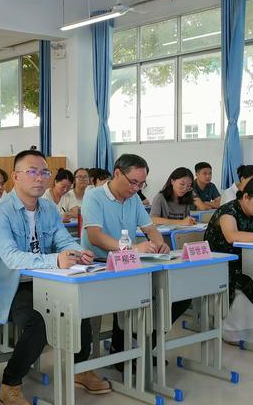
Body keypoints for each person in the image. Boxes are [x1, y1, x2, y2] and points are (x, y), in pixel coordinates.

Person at [0, 150, 110, 405]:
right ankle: (10, 384)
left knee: (78, 308)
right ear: (16, 176)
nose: (39, 178)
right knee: (37, 322)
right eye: (31, 171)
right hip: (11, 286)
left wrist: (78, 251)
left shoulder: (49, 209)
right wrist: (57, 260)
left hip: (46, 280)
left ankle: (79, 367)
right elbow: (12, 258)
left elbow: (62, 240)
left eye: (44, 172)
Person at [81, 154, 190, 361]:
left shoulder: (133, 199)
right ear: (117, 174)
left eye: (141, 184)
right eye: (133, 182)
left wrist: (160, 244)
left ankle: (144, 346)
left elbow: (150, 228)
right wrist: (131, 248)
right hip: (99, 266)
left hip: (129, 264)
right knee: (132, 295)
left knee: (177, 295)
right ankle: (123, 352)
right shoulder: (94, 197)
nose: (136, 188)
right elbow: (95, 237)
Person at [204, 177, 253, 341]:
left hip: (248, 261)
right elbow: (231, 236)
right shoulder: (228, 211)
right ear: (246, 197)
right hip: (224, 264)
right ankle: (239, 333)